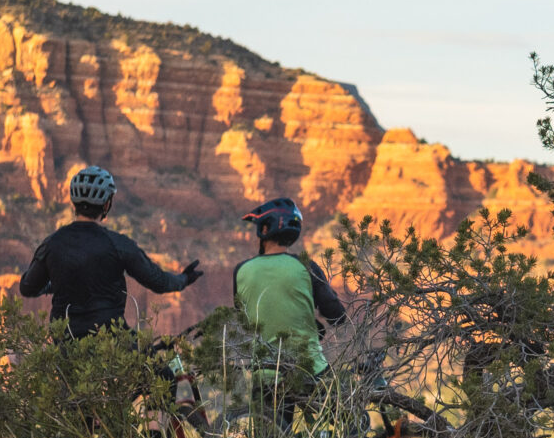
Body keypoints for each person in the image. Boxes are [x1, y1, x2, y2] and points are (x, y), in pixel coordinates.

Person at [19, 165, 203, 337]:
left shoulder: (52, 244)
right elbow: (158, 282)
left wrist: (59, 283)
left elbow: (28, 287)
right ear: (106, 205)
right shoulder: (118, 245)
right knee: (162, 371)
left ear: (73, 203)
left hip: (66, 341)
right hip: (111, 340)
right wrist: (184, 279)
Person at [234, 196, 344, 422]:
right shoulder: (305, 266)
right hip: (309, 368)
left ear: (264, 230)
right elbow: (336, 314)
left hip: (264, 374)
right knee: (347, 424)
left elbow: (244, 318)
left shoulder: (241, 271)